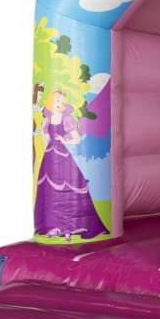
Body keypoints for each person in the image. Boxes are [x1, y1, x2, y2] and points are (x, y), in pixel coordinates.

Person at [34, 89, 109, 241]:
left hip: (62, 154)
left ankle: (72, 227)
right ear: (51, 101)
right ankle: (54, 226)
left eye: (62, 102)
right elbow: (45, 135)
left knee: (69, 185)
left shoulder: (67, 118)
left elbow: (76, 138)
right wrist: (45, 134)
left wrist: (64, 139)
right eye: (57, 101)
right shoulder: (48, 118)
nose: (59, 104)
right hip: (50, 155)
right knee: (49, 190)